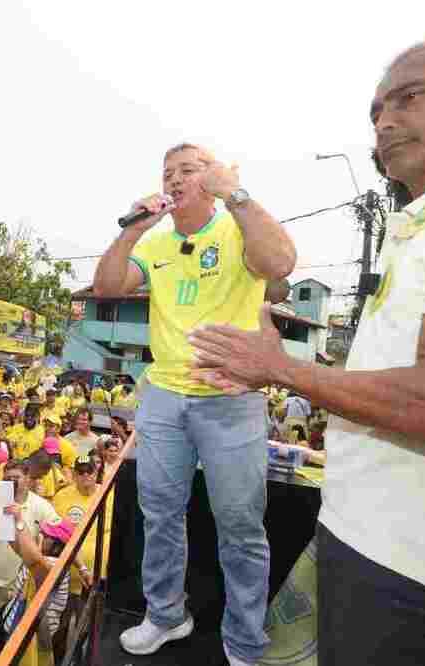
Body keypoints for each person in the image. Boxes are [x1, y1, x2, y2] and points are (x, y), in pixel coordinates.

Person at [187, 30, 425, 666]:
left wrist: (282, 370)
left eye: (410, 97)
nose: (386, 122)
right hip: (360, 533)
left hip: (419, 574)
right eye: (377, 110)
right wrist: (298, 369)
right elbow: (399, 375)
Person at [93, 139, 295, 663]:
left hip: (229, 399)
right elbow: (108, 286)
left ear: (213, 178)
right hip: (163, 396)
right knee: (159, 513)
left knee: (240, 525)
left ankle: (245, 640)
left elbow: (281, 263)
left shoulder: (236, 227)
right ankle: (165, 615)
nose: (176, 179)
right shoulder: (156, 243)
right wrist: (134, 227)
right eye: (168, 172)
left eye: (189, 169)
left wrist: (239, 196)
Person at [0, 460, 60, 632]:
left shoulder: (42, 506)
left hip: (25, 588)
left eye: (17, 477)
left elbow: (58, 537)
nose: (12, 481)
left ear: (28, 478)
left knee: (15, 639)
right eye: (8, 478)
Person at [0, 511, 75, 666]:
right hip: (17, 629)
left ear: (57, 544)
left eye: (45, 536)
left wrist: (20, 521)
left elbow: (33, 558)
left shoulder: (54, 565)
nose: (40, 536)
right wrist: (6, 514)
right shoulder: (43, 558)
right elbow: (13, 543)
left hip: (33, 637)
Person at [53, 456, 109, 605]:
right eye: (81, 472)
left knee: (91, 622)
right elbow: (56, 533)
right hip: (69, 574)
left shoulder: (109, 494)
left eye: (89, 471)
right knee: (62, 621)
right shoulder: (61, 497)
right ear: (74, 474)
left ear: (96, 473)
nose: (85, 475)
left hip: (100, 575)